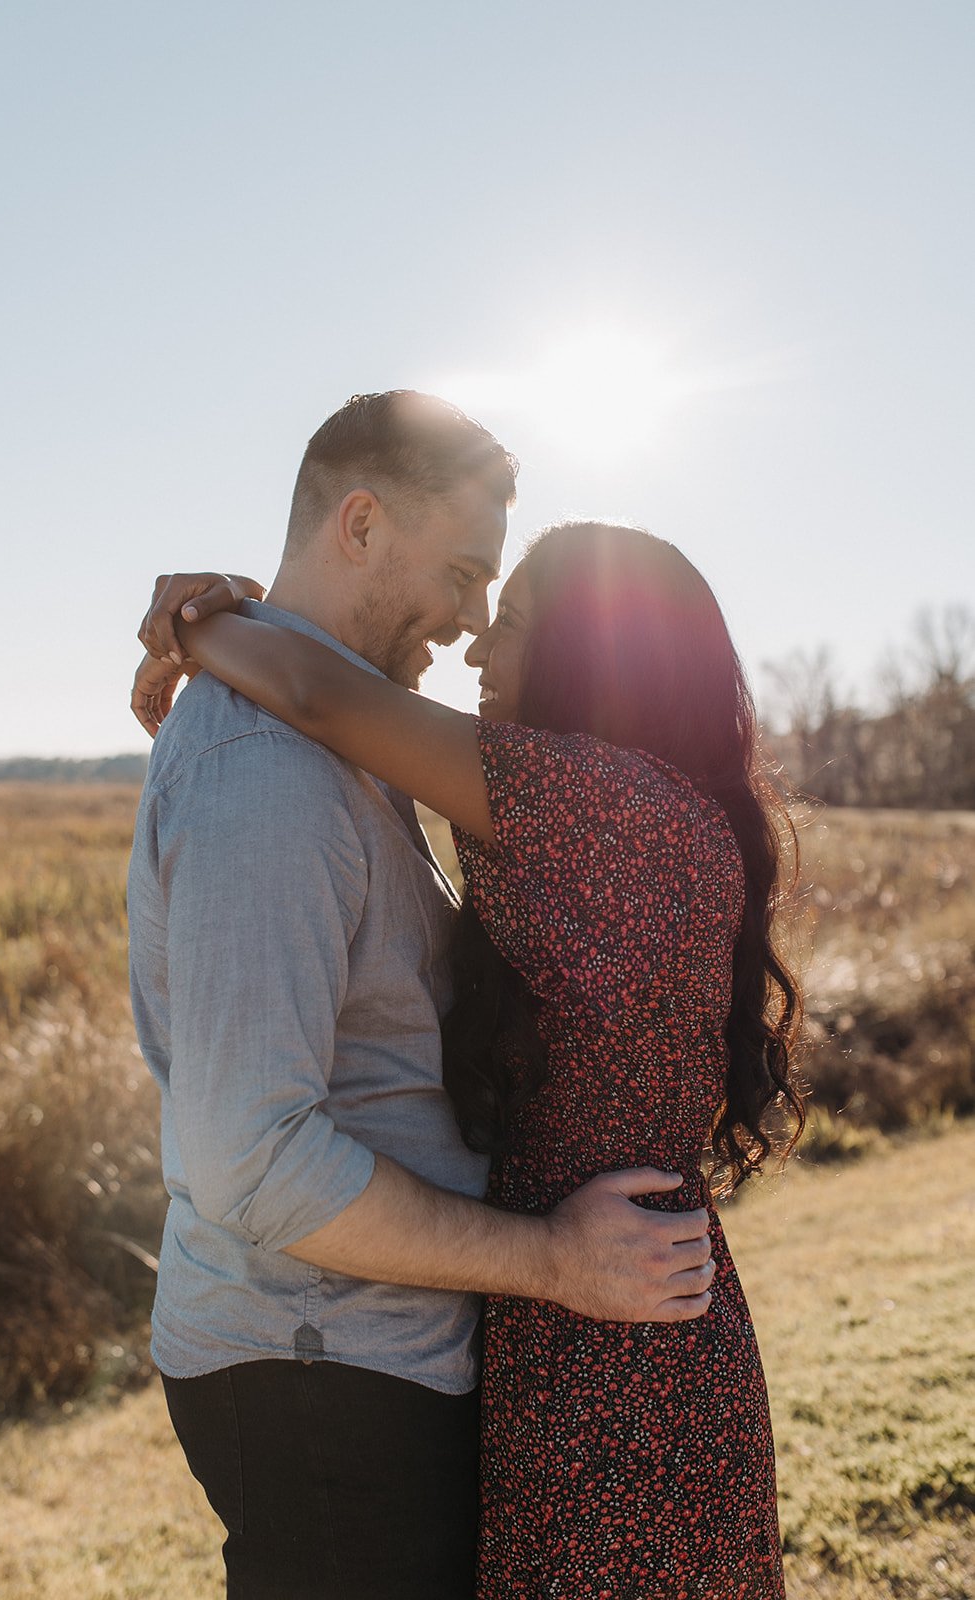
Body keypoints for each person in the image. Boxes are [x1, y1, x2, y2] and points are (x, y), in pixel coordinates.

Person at [134, 516, 804, 1600]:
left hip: (613, 1351)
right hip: (606, 1315)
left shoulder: (603, 808)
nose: (477, 652)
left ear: (599, 654)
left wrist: (198, 625)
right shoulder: (622, 807)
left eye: (516, 623)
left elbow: (321, 699)